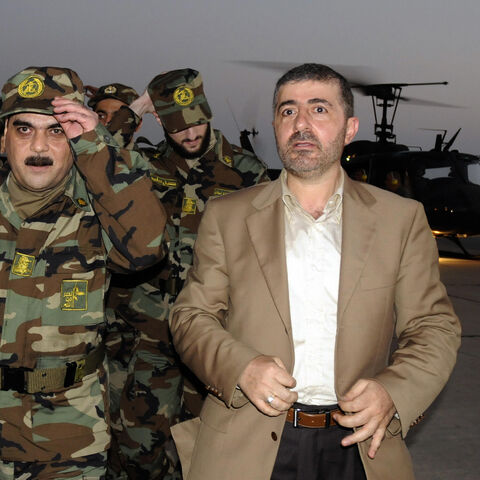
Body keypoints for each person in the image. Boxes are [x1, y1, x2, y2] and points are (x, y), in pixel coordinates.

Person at [169, 63, 461, 480]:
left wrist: (394, 392)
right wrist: (241, 368)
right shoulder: (227, 216)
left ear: (349, 127)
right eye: (288, 111)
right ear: (275, 124)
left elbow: (434, 325)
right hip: (250, 442)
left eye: (319, 110)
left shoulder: (401, 219)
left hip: (358, 445)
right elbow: (190, 316)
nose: (301, 124)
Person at [0, 66, 166, 479]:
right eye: (23, 129)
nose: (39, 146)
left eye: (57, 131)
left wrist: (97, 144)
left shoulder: (99, 209)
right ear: (2, 138)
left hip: (67, 436)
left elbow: (146, 249)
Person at [103, 68, 269, 479]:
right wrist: (136, 109)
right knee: (139, 447)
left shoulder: (247, 173)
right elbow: (96, 158)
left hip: (214, 334)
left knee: (209, 449)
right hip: (149, 335)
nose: (190, 134)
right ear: (160, 121)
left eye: (196, 122)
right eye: (177, 127)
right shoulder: (145, 166)